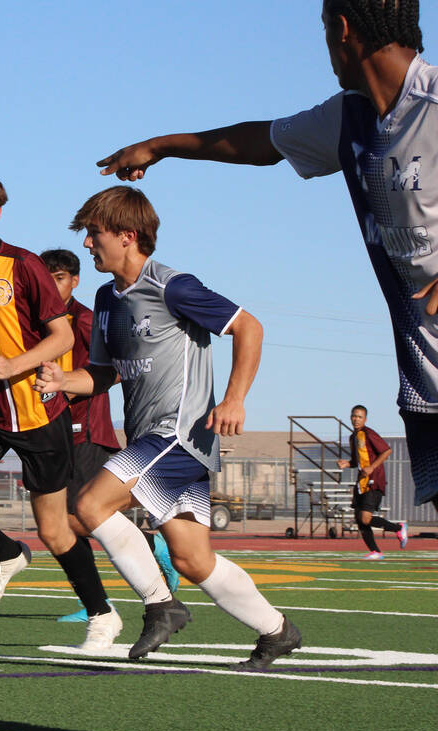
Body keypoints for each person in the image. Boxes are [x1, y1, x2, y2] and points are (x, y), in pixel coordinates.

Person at [95, 0, 438, 516]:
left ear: (341, 29)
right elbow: (258, 142)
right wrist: (160, 147)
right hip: (423, 377)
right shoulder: (350, 118)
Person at [34, 186, 302, 670]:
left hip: (179, 434)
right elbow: (103, 373)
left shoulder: (172, 285)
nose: (88, 244)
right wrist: (61, 381)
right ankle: (276, 630)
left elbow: (249, 327)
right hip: (151, 441)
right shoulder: (105, 297)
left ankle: (161, 606)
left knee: (89, 505)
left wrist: (234, 398)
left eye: (95, 234)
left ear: (128, 236)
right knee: (192, 559)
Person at [0, 173, 123, 651]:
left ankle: (102, 614)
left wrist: (15, 365)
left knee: (56, 530)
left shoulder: (25, 265)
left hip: (39, 413)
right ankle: (8, 553)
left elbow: (61, 338)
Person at [38, 248, 180, 624]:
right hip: (50, 432)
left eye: (59, 278)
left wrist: (70, 387)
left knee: (73, 518)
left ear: (74, 280)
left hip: (86, 431)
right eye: (46, 278)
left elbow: (116, 367)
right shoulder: (39, 319)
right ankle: (94, 600)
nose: (52, 286)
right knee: (61, 521)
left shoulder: (84, 319)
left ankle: (149, 547)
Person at [336, 404, 407, 559]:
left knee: (365, 517)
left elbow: (387, 450)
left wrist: (372, 467)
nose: (356, 419)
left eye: (360, 417)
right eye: (354, 416)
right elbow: (357, 461)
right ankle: (376, 551)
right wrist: (347, 464)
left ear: (365, 419)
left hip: (374, 481)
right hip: (361, 482)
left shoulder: (368, 433)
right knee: (359, 519)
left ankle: (398, 528)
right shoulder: (353, 437)